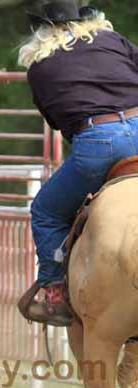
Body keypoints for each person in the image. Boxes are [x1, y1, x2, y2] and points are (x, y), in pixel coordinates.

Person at [18, 0, 138, 326]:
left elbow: (57, 121)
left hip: (97, 142)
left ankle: (54, 292)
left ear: (40, 28)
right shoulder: (113, 41)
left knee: (45, 210)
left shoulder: (40, 67)